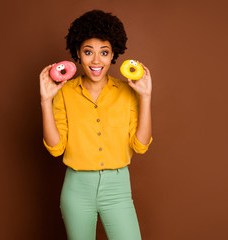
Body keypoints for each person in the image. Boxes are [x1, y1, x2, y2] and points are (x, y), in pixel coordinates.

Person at [39, 9, 152, 240]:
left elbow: (140, 146)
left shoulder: (128, 92)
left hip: (118, 189)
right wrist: (45, 100)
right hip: (76, 188)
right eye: (88, 52)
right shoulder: (64, 93)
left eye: (104, 52)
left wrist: (146, 97)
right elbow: (55, 148)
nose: (96, 60)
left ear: (113, 55)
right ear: (78, 54)